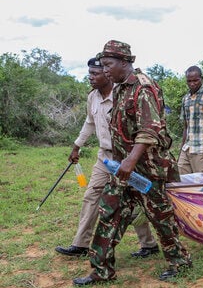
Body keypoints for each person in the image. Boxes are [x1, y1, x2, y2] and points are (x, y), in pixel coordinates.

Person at [73, 40, 191, 286]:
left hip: (148, 170)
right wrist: (120, 163)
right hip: (123, 169)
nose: (105, 71)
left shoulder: (143, 88)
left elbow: (150, 130)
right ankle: (101, 270)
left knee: (161, 218)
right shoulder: (119, 88)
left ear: (125, 63)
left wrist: (129, 161)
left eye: (108, 65)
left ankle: (179, 261)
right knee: (110, 212)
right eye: (103, 65)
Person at [55, 57, 159, 259]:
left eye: (95, 74)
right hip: (104, 157)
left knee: (135, 200)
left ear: (107, 73)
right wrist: (77, 146)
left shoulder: (123, 94)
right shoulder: (92, 97)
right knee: (91, 195)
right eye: (89, 74)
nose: (91, 78)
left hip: (127, 157)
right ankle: (81, 244)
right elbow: (89, 122)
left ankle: (149, 244)